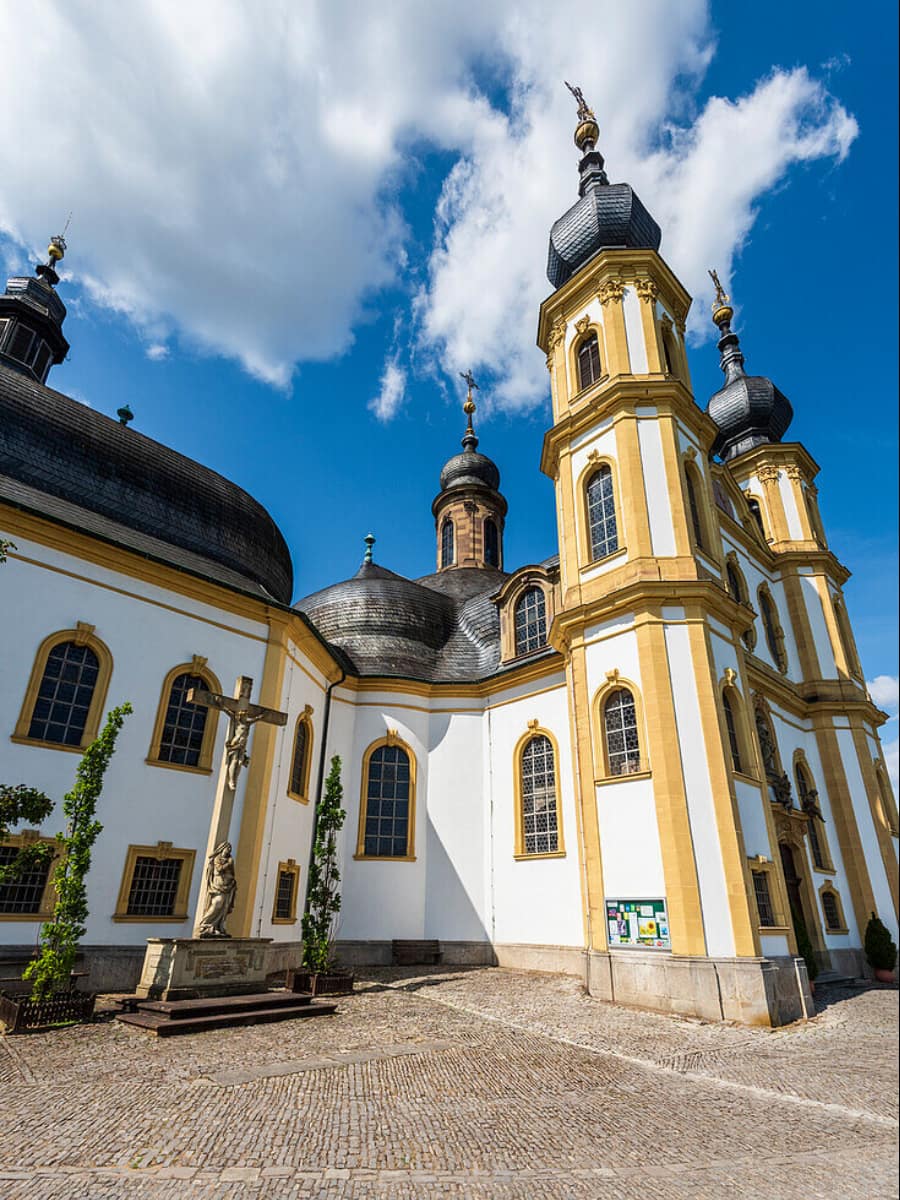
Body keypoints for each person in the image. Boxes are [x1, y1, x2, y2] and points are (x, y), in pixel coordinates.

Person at [197, 841, 237, 937]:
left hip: (228, 885)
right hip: (218, 884)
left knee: (224, 906)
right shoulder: (218, 858)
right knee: (217, 904)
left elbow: (232, 872)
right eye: (228, 848)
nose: (229, 850)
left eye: (230, 848)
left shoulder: (230, 859)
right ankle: (205, 924)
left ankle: (217, 926)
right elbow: (219, 869)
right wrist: (228, 864)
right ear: (222, 848)